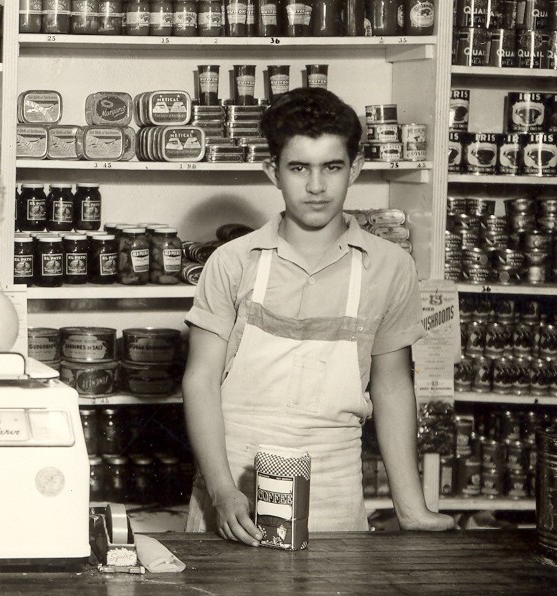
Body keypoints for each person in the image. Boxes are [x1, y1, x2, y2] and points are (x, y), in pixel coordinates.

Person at [181, 89, 453, 541]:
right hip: (234, 496)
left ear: (356, 168)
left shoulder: (389, 266)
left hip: (333, 493)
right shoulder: (233, 261)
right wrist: (222, 490)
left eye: (332, 167)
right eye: (298, 168)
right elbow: (200, 380)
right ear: (273, 171)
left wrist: (412, 508)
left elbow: (391, 385)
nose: (315, 187)